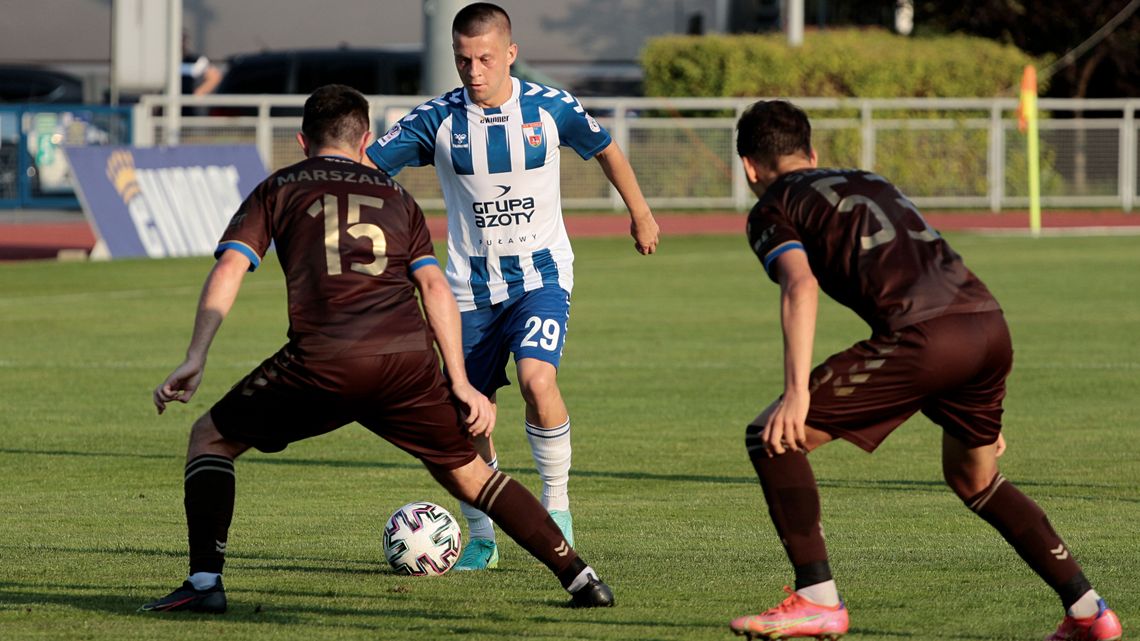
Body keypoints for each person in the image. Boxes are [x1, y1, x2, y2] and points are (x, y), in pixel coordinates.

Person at [139, 84, 614, 613]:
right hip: (406, 366)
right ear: (365, 139)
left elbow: (230, 267)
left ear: (302, 140)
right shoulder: (397, 198)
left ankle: (204, 584)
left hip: (322, 363)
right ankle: (581, 578)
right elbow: (434, 288)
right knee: (473, 475)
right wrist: (457, 381)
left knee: (210, 437)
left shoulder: (279, 188)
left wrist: (196, 355)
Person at [728, 100, 1122, 641]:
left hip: (924, 337)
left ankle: (817, 600)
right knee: (974, 477)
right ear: (812, 151)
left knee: (773, 436)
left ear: (749, 166)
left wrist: (797, 392)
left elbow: (800, 284)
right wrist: (966, 389)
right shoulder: (869, 179)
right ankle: (1088, 612)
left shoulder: (773, 205)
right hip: (986, 325)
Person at [365, 2, 659, 571]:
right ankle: (481, 535)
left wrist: (640, 213)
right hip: (467, 291)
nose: (473, 71)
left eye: (484, 59)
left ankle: (558, 508)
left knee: (536, 377)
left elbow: (604, 147)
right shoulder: (437, 119)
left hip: (542, 276)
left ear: (510, 54)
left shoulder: (549, 108)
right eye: (462, 59)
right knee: (466, 412)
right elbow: (371, 170)